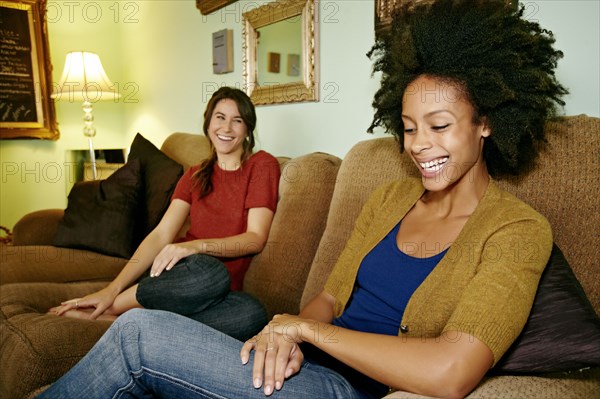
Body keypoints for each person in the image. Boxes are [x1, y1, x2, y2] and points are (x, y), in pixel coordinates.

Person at [38, 1, 569, 398]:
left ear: (486, 124)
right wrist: (288, 335)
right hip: (302, 366)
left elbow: (452, 372)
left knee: (137, 337)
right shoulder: (389, 199)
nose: (419, 145)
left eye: (439, 126)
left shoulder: (516, 230)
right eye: (408, 128)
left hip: (344, 391)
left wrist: (306, 330)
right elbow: (331, 299)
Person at [48, 86, 281, 340]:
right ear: (208, 122)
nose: (226, 128)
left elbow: (255, 238)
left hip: (216, 292)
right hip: (179, 277)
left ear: (247, 128)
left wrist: (196, 246)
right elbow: (161, 235)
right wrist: (111, 289)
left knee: (252, 314)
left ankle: (125, 321)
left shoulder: (262, 165)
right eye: (220, 117)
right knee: (211, 273)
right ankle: (112, 307)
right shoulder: (194, 174)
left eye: (237, 121)